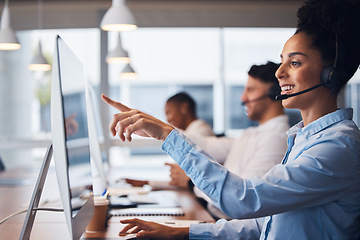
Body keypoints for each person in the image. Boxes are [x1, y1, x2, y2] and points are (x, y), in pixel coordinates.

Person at [102, 0, 360, 239]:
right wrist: (181, 233)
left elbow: (245, 200)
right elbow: (267, 222)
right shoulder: (303, 138)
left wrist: (166, 134)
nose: (279, 73)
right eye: (282, 62)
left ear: (331, 74)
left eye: (294, 63)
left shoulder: (337, 147)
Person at [168, 61, 289, 220]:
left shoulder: (276, 138)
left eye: (250, 90)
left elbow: (243, 201)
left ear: (274, 93)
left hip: (227, 224)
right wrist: (159, 129)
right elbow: (206, 145)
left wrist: (193, 183)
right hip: (215, 217)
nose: (243, 97)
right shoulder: (252, 134)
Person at [125, 92, 214, 188]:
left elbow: (189, 180)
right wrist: (147, 182)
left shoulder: (200, 131)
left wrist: (146, 182)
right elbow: (182, 179)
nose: (168, 119)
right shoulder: (191, 130)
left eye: (169, 112)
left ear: (184, 108)